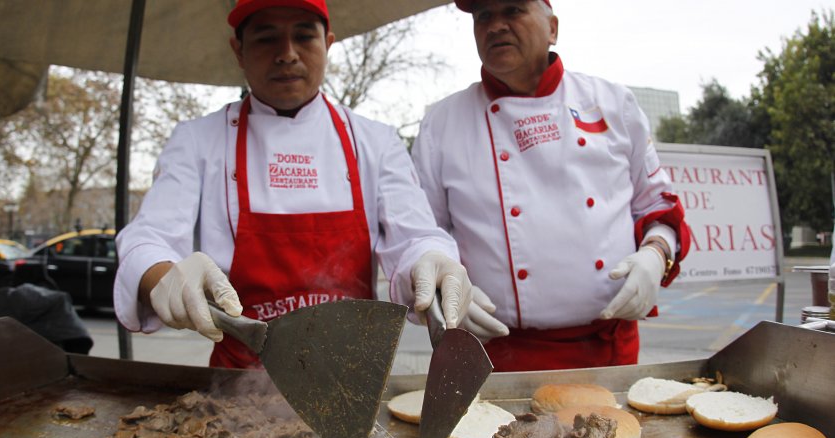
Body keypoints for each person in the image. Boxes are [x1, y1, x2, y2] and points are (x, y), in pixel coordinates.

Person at [114, 0, 472, 368]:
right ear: (238, 50)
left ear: (328, 44)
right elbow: (147, 239)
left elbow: (414, 238)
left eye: (303, 37)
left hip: (354, 377)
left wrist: (432, 260)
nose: (287, 54)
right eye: (267, 39)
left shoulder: (375, 141)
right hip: (237, 382)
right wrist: (163, 272)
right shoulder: (197, 140)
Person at [411, 0, 691, 371]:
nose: (495, 26)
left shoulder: (611, 104)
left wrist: (657, 254)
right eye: (483, 16)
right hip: (493, 352)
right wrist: (448, 288)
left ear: (553, 29)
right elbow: (422, 232)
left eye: (512, 11)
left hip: (607, 350)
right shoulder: (442, 122)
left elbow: (658, 205)